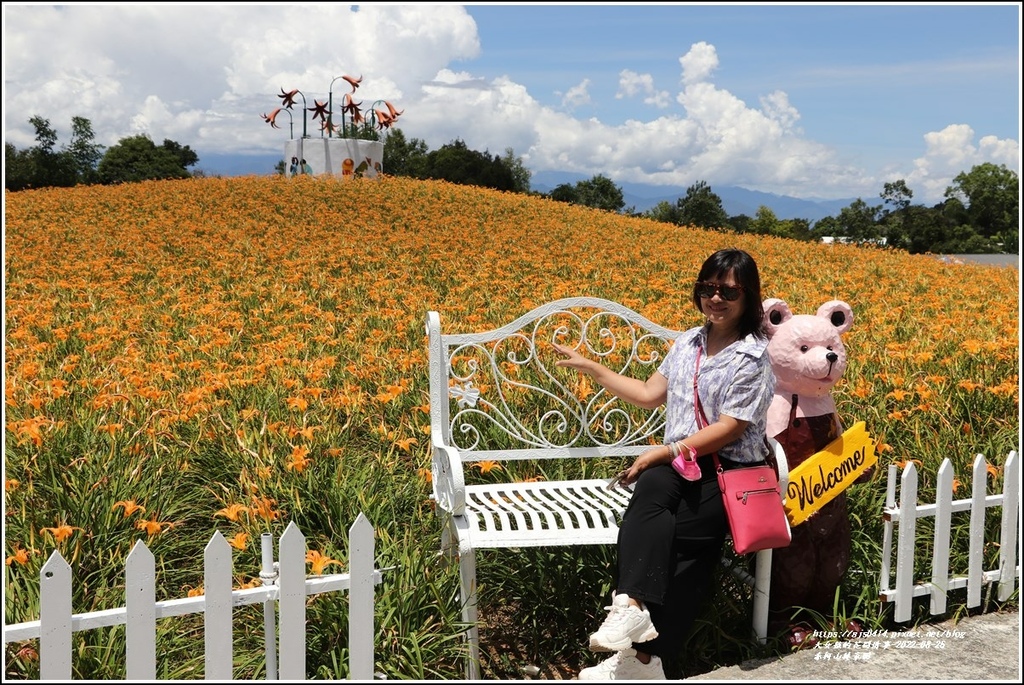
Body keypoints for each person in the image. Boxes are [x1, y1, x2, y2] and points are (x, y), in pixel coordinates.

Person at [552, 248, 776, 680]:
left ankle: (644, 660)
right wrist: (592, 367)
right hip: (682, 462)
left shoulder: (753, 356)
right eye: (707, 288)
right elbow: (648, 394)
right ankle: (631, 608)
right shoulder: (687, 342)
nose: (716, 298)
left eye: (728, 290)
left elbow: (731, 427)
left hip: (728, 470)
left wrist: (666, 451)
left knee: (685, 542)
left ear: (748, 298)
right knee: (652, 488)